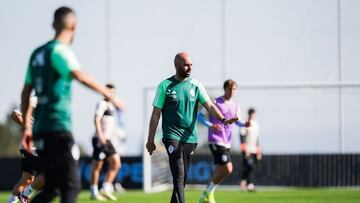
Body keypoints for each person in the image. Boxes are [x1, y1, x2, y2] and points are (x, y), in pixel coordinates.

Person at [20, 6, 122, 203]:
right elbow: (79, 75)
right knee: (72, 185)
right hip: (57, 127)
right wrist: (107, 93)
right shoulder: (59, 50)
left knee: (52, 186)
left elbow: (25, 92)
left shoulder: (36, 54)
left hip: (40, 129)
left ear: (52, 24)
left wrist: (26, 126)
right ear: (74, 26)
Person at [146, 52, 238, 203]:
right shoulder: (165, 86)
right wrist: (150, 140)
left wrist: (223, 118)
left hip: (190, 138)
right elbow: (155, 114)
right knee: (179, 175)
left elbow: (209, 105)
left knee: (181, 180)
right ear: (177, 66)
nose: (189, 68)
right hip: (172, 136)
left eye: (191, 65)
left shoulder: (196, 85)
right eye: (186, 65)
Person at [197, 79, 249, 203]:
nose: (232, 91)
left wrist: (245, 124)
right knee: (228, 168)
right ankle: (207, 193)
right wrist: (211, 126)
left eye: (234, 89)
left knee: (220, 171)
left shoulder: (236, 106)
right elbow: (199, 116)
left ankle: (206, 196)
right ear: (225, 89)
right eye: (230, 89)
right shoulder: (215, 102)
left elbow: (238, 122)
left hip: (227, 142)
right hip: (215, 140)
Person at [7, 97, 45, 203]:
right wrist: (29, 127)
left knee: (27, 179)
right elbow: (14, 114)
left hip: (34, 146)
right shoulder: (34, 99)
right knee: (47, 173)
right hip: (31, 146)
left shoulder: (48, 99)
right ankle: (24, 195)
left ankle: (11, 201)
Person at [90, 84, 123, 201]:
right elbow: (96, 119)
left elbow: (123, 107)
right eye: (109, 92)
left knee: (116, 163)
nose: (111, 94)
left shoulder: (111, 104)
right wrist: (100, 135)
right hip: (100, 139)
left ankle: (106, 187)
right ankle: (94, 191)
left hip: (108, 140)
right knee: (97, 165)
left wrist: (113, 97)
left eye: (113, 92)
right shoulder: (102, 103)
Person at [239, 108, 261, 192]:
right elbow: (242, 136)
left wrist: (258, 150)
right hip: (247, 149)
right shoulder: (245, 123)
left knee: (250, 167)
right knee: (249, 166)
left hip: (254, 149)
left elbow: (257, 138)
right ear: (249, 114)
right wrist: (245, 149)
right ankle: (250, 185)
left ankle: (243, 182)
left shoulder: (256, 124)